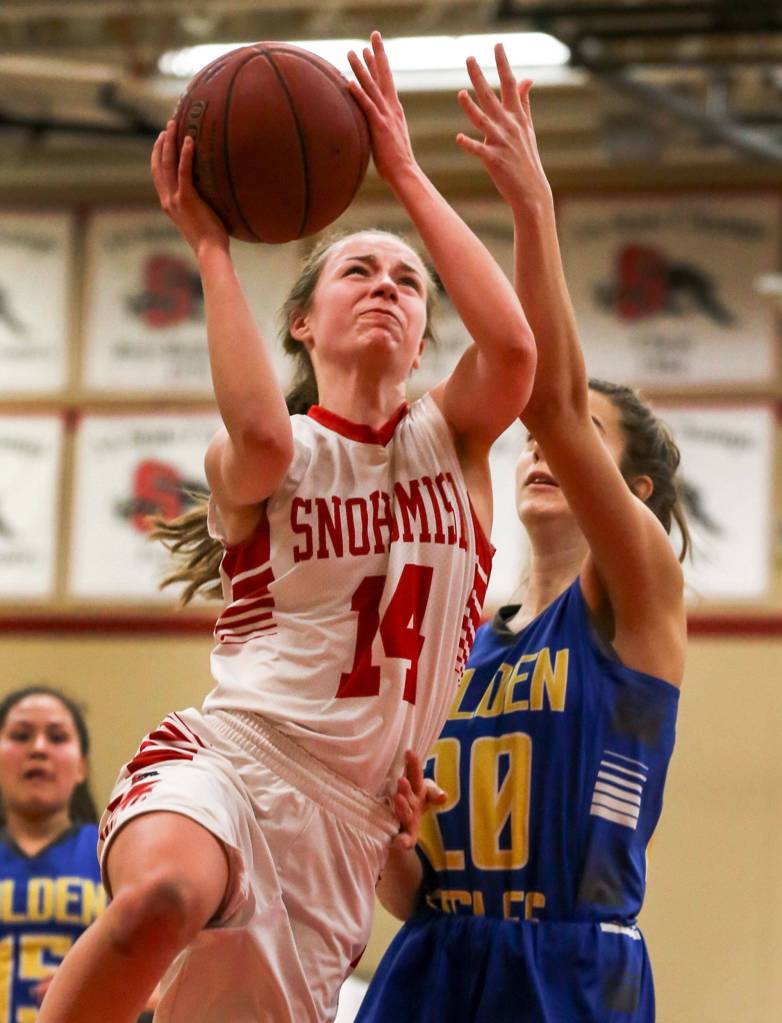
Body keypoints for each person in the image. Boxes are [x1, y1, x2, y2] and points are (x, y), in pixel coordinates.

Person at [38, 31, 536, 1023]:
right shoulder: (275, 454)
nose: (386, 287)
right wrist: (210, 246)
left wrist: (399, 167)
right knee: (160, 901)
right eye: (357, 271)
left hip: (344, 830)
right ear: (302, 323)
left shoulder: (456, 443)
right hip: (231, 758)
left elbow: (514, 346)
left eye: (406, 281)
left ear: (427, 333)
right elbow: (257, 428)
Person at [355, 45, 689, 1023]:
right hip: (437, 954)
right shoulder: (468, 637)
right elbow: (414, 891)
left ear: (625, 488)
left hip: (567, 969)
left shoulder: (633, 596)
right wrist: (388, 836)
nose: (544, 454)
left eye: (583, 446)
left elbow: (547, 402)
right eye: (538, 450)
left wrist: (530, 209)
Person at [0, 686, 103, 1023]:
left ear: (81, 768)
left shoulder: (113, 854)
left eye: (57, 737)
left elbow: (173, 979)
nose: (39, 748)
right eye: (20, 735)